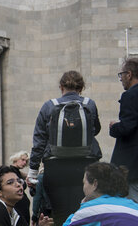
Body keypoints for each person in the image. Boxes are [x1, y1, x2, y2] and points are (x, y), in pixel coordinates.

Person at [27, 70, 101, 223]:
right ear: (81, 88)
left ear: (61, 87)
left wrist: (33, 171)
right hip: (86, 165)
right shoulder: (89, 104)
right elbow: (96, 129)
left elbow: (39, 141)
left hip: (55, 167)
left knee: (59, 212)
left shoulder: (49, 106)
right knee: (85, 210)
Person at [63, 162, 138, 225]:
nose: (83, 188)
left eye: (84, 183)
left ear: (95, 184)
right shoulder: (134, 207)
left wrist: (81, 209)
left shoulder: (89, 210)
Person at [109, 57, 138, 202]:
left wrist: (114, 127)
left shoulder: (130, 95)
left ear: (129, 74)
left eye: (121, 75)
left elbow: (127, 127)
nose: (121, 79)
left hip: (132, 167)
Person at [8, 151, 31, 224]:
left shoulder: (18, 172)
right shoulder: (10, 171)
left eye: (26, 161)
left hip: (22, 206)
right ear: (16, 159)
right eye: (23, 160)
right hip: (18, 207)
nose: (24, 163)